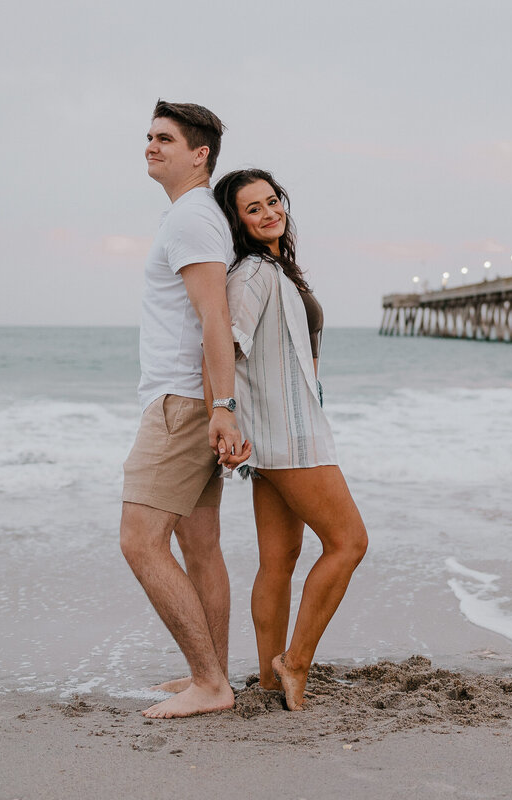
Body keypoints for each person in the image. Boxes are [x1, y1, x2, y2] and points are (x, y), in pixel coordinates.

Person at [211, 168, 368, 710]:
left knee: (279, 560)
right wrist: (225, 415)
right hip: (289, 435)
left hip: (281, 431)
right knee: (349, 543)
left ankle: (270, 677)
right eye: (252, 208)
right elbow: (223, 346)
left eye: (271, 201)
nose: (268, 212)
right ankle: (294, 663)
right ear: (237, 221)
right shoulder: (254, 273)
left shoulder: (278, 268)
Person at [118, 100, 250, 720]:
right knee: (200, 546)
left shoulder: (192, 220)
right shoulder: (191, 217)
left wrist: (220, 406)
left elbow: (214, 318)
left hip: (180, 404)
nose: (151, 145)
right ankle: (214, 674)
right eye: (148, 136)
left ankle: (209, 681)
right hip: (190, 401)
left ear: (199, 155)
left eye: (165, 139)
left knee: (140, 542)